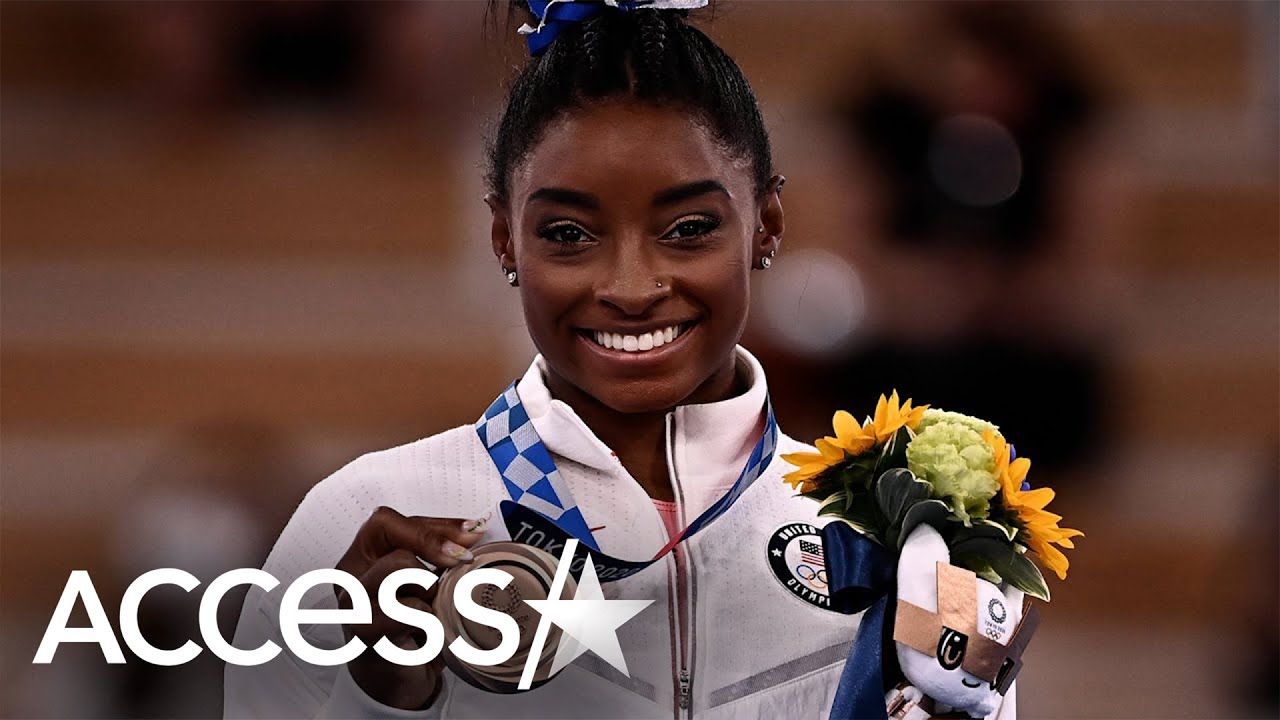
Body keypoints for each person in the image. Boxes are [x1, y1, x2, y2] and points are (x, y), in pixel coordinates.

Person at [224, 3, 1016, 718]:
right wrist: (381, 699)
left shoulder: (901, 544)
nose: (632, 289)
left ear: (767, 223)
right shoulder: (362, 519)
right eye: (569, 234)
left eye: (689, 229)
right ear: (505, 239)